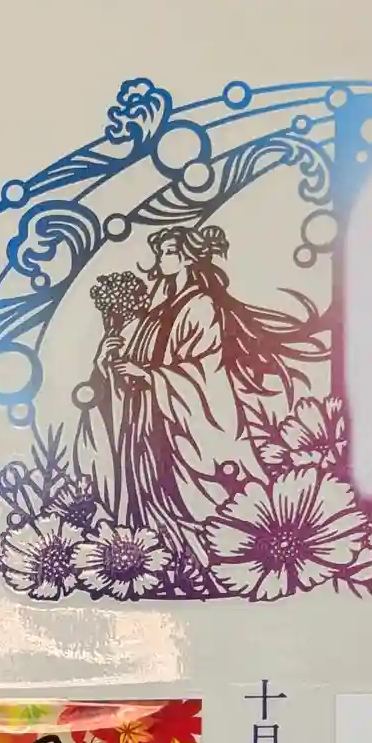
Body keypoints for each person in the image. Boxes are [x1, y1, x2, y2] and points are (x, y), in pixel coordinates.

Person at [81, 223, 326, 589]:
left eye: (168, 252)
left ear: (186, 259)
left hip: (184, 422)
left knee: (198, 501)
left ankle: (211, 562)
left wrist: (149, 376)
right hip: (148, 421)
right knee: (151, 499)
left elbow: (202, 370)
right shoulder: (157, 308)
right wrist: (109, 360)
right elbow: (135, 364)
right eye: (160, 252)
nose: (160, 259)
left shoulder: (200, 306)